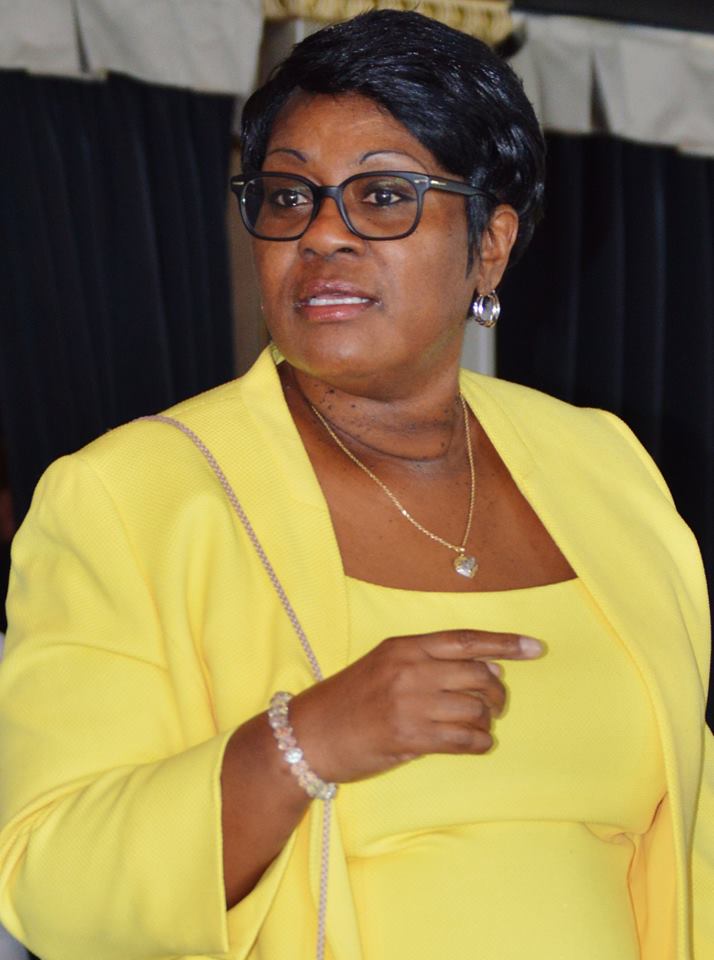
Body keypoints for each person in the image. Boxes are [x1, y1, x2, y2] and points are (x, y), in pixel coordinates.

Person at [0, 10, 712, 960]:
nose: (323, 235)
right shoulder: (132, 498)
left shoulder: (605, 469)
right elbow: (48, 879)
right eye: (288, 197)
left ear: (489, 245)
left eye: (384, 196)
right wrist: (304, 745)